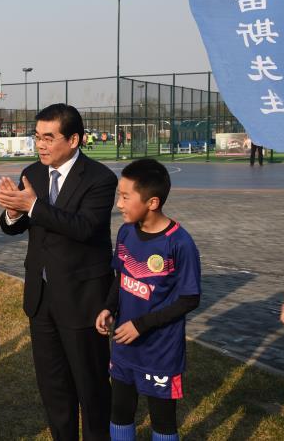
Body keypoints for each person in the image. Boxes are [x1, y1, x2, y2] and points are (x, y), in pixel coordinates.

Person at [0, 103, 117, 440]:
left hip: (82, 299)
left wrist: (31, 206)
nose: (41, 145)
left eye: (49, 137)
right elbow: (15, 228)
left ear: (74, 139)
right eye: (37, 137)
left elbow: (84, 227)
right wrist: (13, 213)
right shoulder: (32, 173)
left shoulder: (100, 178)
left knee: (90, 388)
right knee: (54, 387)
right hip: (41, 297)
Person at [95, 158, 201, 441]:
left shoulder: (179, 243)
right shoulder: (126, 232)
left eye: (126, 196)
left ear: (152, 202)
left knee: (163, 420)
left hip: (160, 352)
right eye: (120, 195)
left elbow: (189, 299)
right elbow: (121, 275)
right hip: (123, 345)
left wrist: (141, 325)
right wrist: (108, 307)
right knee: (120, 410)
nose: (119, 203)